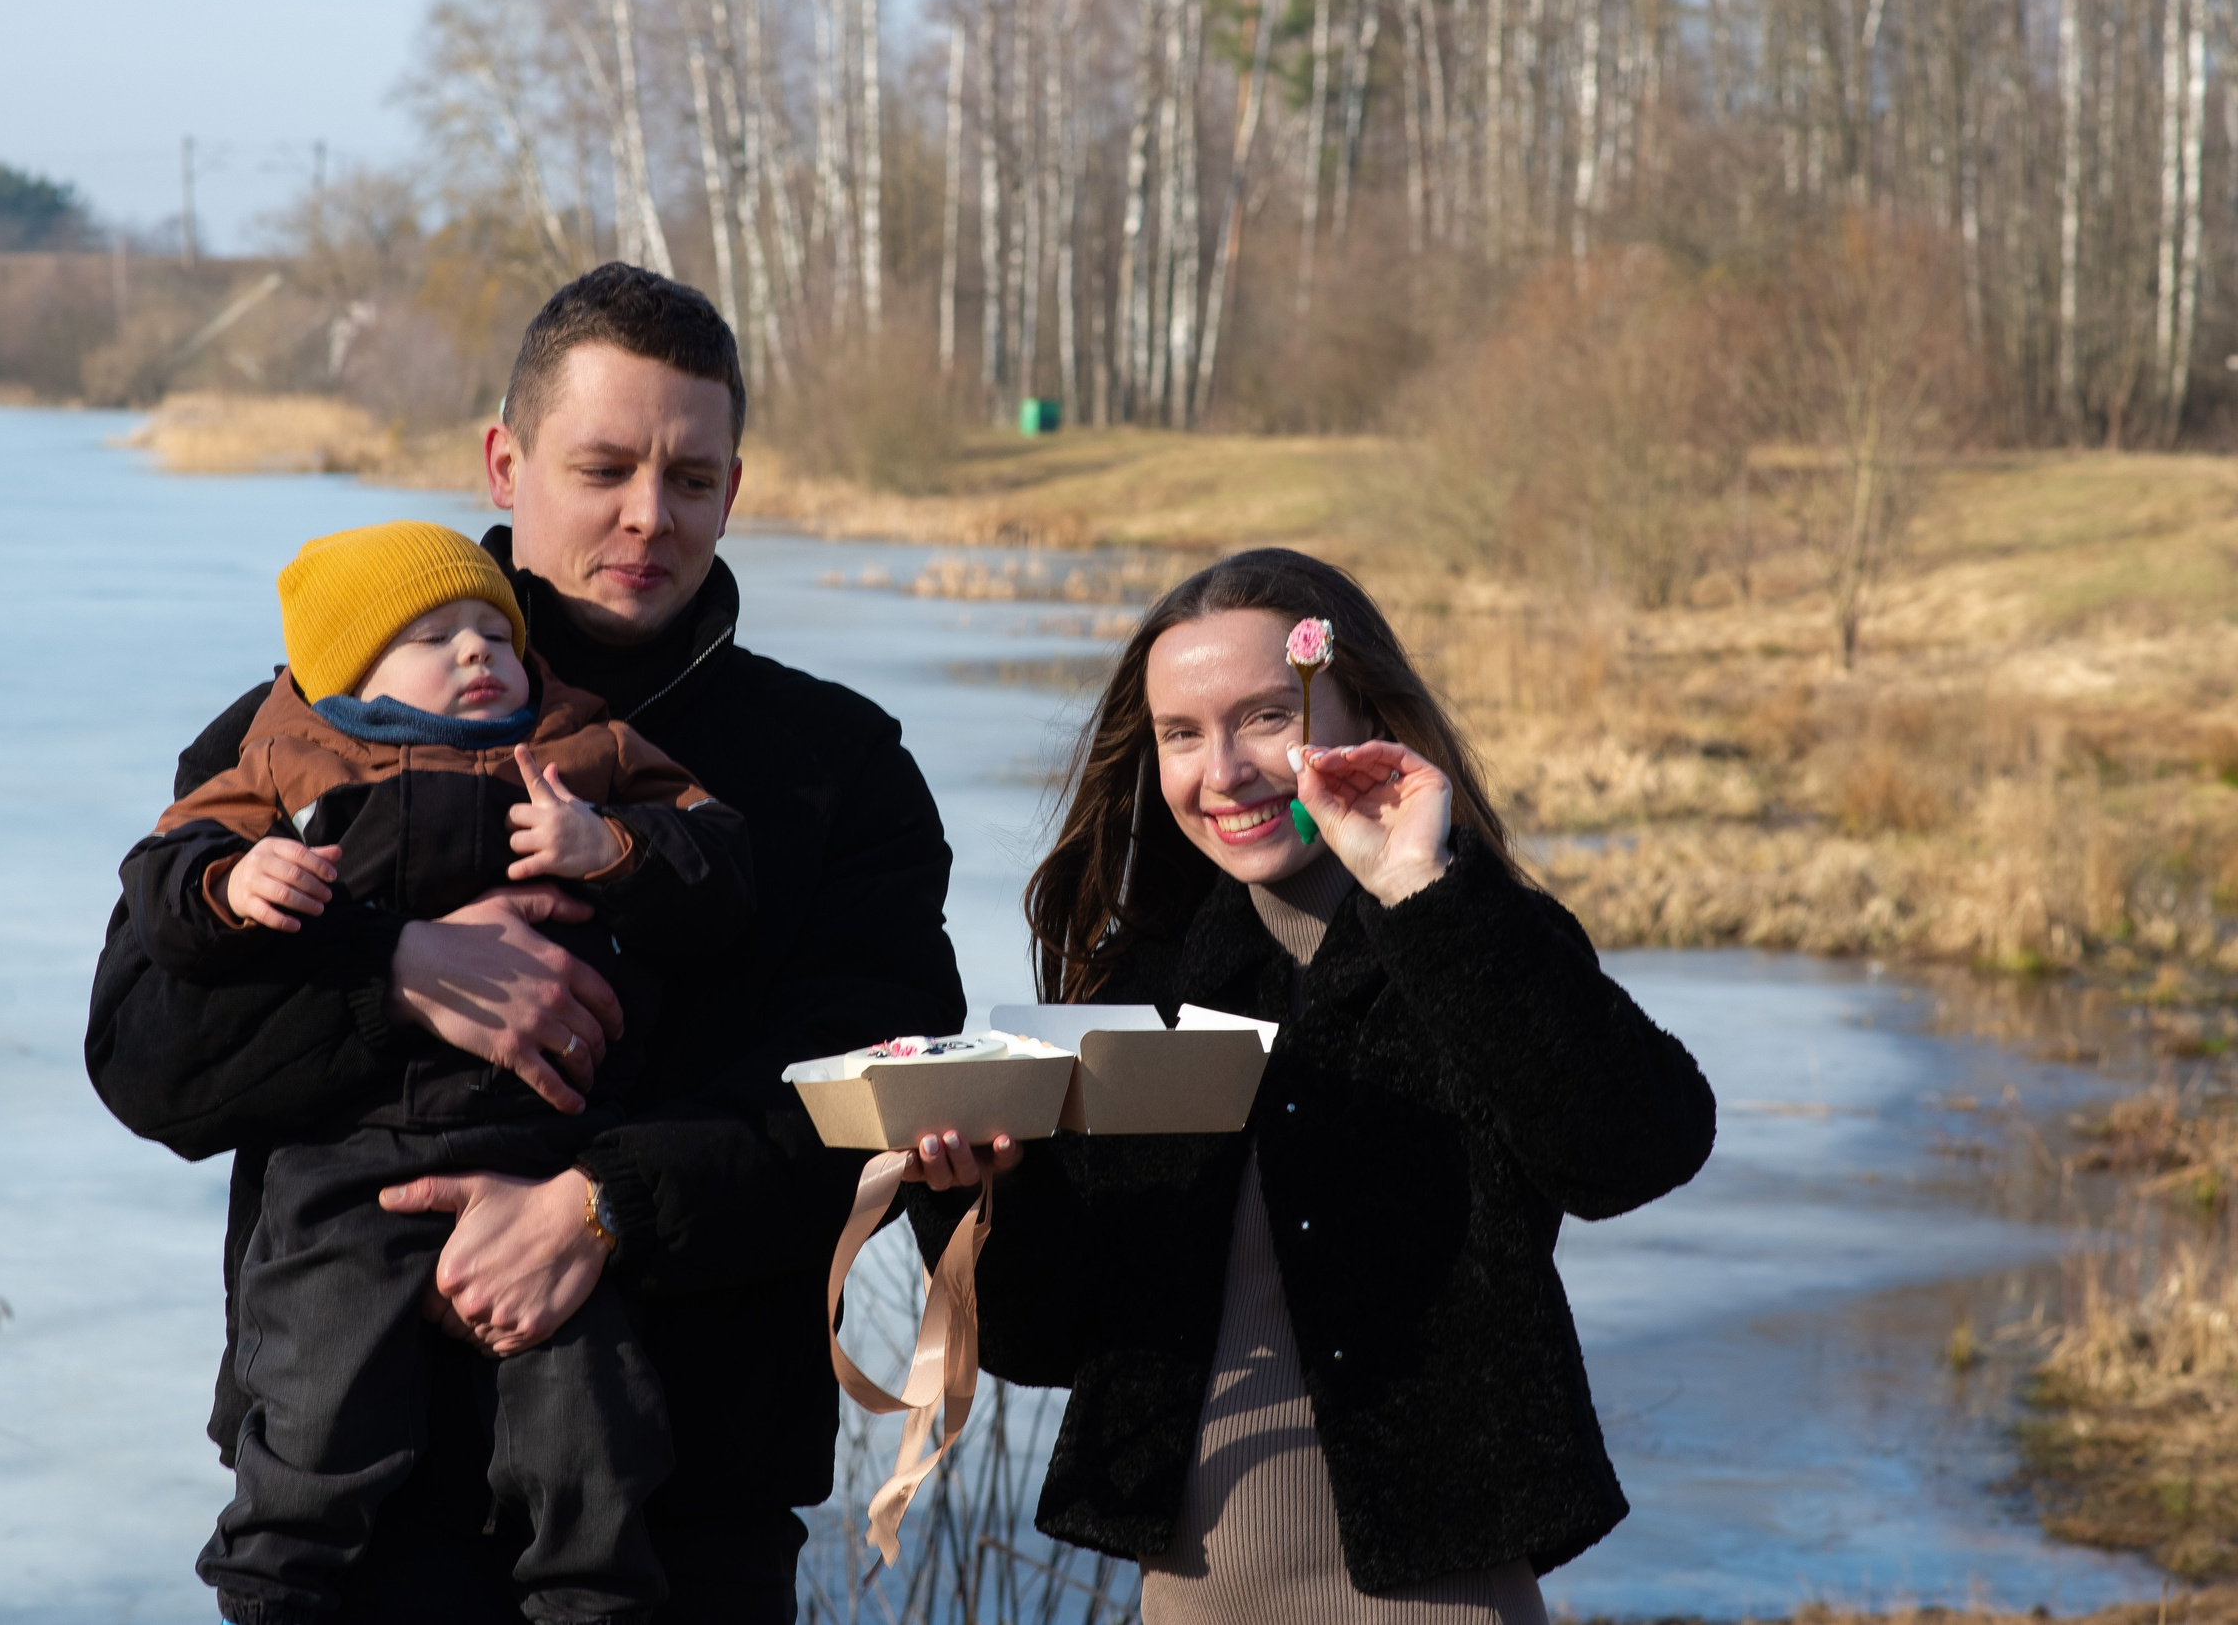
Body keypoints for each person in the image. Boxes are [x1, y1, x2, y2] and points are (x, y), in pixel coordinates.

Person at [87, 264, 966, 1624]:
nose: (646, 516)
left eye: (689, 477)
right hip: (347, 1513)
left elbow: (873, 1090)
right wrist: (395, 980)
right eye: (602, 466)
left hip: (685, 1523)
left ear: (734, 487)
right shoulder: (308, 721)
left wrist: (602, 1207)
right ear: (504, 461)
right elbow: (144, 1056)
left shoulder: (832, 769)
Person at [905, 548, 1716, 1622]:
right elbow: (1041, 1334)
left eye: (1262, 718)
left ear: (1361, 712)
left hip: (1442, 1600)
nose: (1223, 769)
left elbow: (1634, 1148)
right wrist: (968, 1193)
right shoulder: (1142, 989)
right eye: (1182, 734)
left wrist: (1422, 892)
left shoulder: (1470, 938)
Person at [120, 519, 755, 1625]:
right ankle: (271, 1585)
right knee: (316, 1398)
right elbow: (160, 896)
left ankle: (590, 1600)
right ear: (350, 671)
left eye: (490, 632)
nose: (476, 654)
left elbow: (718, 854)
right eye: (433, 636)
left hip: (544, 1147)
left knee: (587, 1421)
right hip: (350, 1161)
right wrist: (237, 882)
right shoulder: (289, 752)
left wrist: (610, 848)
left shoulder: (578, 743)